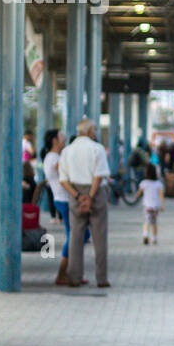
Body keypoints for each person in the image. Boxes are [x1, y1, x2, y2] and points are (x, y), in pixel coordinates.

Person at [58, 118, 110, 289]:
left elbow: (63, 180)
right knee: (99, 238)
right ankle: (101, 279)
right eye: (94, 130)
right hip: (96, 194)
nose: (95, 133)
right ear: (89, 132)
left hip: (75, 194)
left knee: (75, 237)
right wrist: (90, 196)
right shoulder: (97, 149)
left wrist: (79, 196)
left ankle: (74, 277)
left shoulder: (67, 151)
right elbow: (99, 175)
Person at [42, 129, 88, 286]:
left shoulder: (56, 157)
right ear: (55, 141)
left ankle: (73, 272)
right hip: (64, 200)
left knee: (79, 236)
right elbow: (65, 169)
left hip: (65, 200)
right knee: (77, 236)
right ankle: (63, 273)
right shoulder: (53, 158)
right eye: (62, 137)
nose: (65, 140)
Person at [138, 163, 164, 245]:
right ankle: (154, 238)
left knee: (147, 221)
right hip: (155, 206)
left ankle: (145, 234)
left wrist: (135, 197)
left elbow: (139, 192)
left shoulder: (144, 183)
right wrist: (162, 205)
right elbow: (161, 195)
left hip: (147, 206)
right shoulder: (158, 184)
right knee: (154, 223)